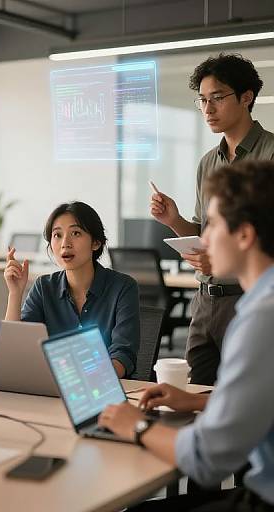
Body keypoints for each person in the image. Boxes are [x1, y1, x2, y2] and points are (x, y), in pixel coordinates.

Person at [100, 161, 274, 511]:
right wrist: (195, 401)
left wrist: (136, 427)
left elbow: (208, 459)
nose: (204, 238)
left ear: (244, 234)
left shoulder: (261, 319)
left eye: (213, 226)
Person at [150, 53, 274, 385]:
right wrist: (174, 220)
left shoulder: (270, 156)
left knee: (246, 398)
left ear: (246, 97)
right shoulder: (208, 163)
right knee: (193, 394)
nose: (207, 109)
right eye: (202, 101)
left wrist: (220, 261)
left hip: (251, 298)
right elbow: (206, 234)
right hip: (206, 300)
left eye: (217, 98)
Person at [4, 201, 139, 378]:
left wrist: (88, 377)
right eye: (57, 235)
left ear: (96, 243)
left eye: (76, 233)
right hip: (51, 387)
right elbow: (15, 348)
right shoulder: (43, 287)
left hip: (104, 389)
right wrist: (15, 293)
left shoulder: (123, 287)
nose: (65, 243)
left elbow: (123, 355)